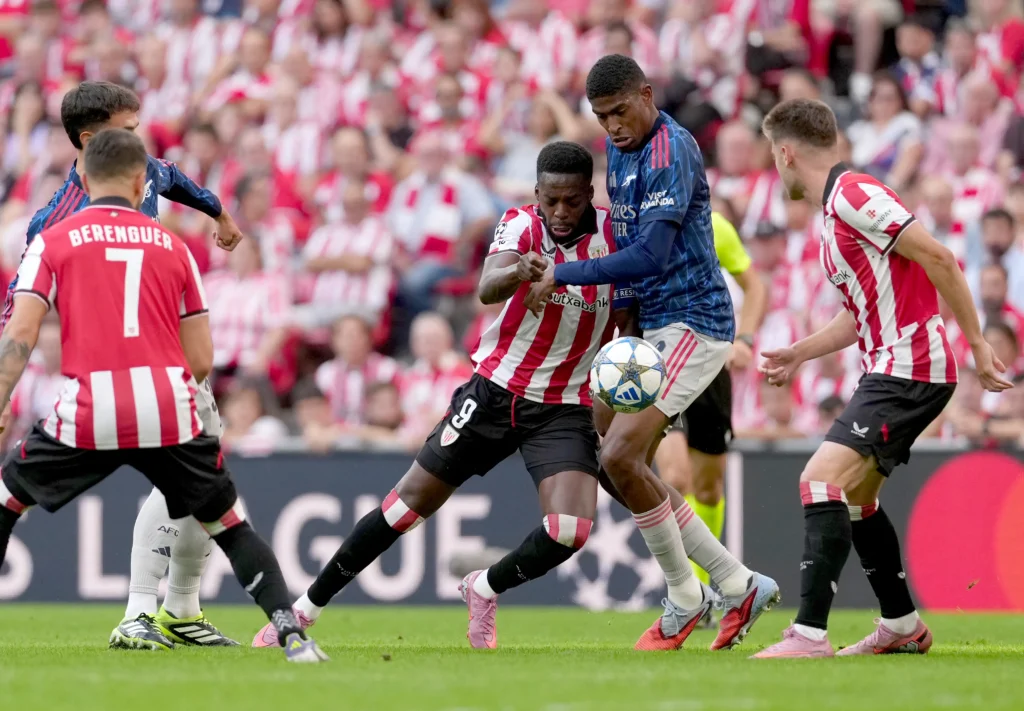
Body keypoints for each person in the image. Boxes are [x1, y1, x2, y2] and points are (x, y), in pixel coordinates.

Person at [251, 141, 614, 650]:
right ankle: (304, 610)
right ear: (536, 193)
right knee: (404, 507)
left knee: (569, 530)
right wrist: (518, 271)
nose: (559, 211)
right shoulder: (520, 224)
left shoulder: (615, 237)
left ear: (589, 195)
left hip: (563, 406)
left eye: (571, 201)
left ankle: (483, 587)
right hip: (496, 391)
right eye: (550, 200)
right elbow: (487, 286)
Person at [0, 128, 327, 663]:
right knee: (229, 523)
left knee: (7, 501)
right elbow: (200, 359)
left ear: (84, 180)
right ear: (140, 183)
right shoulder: (175, 248)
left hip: (90, 405)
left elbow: (21, 331)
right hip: (168, 405)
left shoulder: (53, 239)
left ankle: (152, 611)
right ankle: (294, 637)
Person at [527, 55, 779, 652]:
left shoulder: (671, 150)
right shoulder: (620, 150)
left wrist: (562, 272)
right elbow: (625, 242)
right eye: (601, 117)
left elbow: (650, 255)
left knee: (621, 455)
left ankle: (686, 596)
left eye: (619, 112)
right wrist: (621, 327)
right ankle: (736, 583)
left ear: (645, 95)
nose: (612, 126)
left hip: (695, 322)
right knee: (606, 451)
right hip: (650, 326)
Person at [754, 98, 1012, 658]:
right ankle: (902, 625)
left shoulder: (854, 195)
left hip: (910, 364)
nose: (775, 167)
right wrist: (800, 352)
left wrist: (977, 342)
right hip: (894, 364)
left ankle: (809, 634)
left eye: (773, 155)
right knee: (856, 499)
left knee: (819, 481)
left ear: (786, 153)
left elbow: (940, 257)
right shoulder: (836, 211)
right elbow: (861, 313)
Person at [3, 81, 243, 650]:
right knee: (186, 478)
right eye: (130, 131)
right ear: (92, 140)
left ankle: (180, 608)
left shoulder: (146, 170)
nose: (143, 142)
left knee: (199, 478)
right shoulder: (56, 220)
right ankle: (141, 609)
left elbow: (177, 180)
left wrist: (220, 214)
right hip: (110, 372)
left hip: (171, 359)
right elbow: (20, 309)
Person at [653, 211, 767, 590]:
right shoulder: (643, 223)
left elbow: (755, 286)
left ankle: (703, 589)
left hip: (709, 363)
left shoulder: (716, 226)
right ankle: (685, 589)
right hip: (661, 365)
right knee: (674, 478)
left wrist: (745, 339)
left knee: (708, 490)